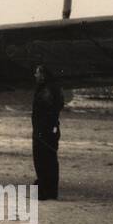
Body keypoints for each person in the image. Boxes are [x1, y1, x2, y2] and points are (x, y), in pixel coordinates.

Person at [31, 64, 63, 200]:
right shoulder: (52, 88)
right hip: (48, 130)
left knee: (43, 160)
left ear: (43, 75)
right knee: (49, 160)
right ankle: (48, 190)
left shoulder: (46, 91)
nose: (35, 75)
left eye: (37, 73)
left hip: (43, 131)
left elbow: (46, 111)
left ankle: (44, 191)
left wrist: (41, 130)